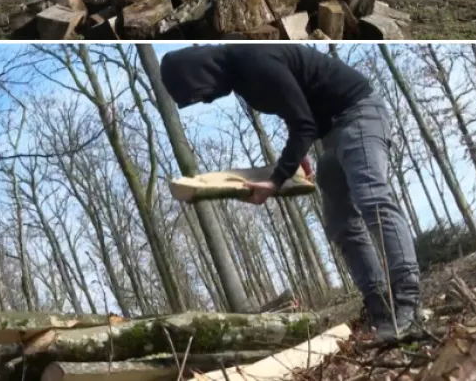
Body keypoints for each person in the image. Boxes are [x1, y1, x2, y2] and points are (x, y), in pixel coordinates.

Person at [159, 44, 422, 343]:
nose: (204, 101)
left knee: (372, 199)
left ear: (199, 73)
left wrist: (276, 180)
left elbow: (303, 122)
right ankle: (381, 308)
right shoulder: (242, 74)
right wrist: (298, 155)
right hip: (332, 132)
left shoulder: (253, 60)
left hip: (359, 113)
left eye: (198, 94)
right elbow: (294, 108)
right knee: (341, 224)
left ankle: (408, 304)